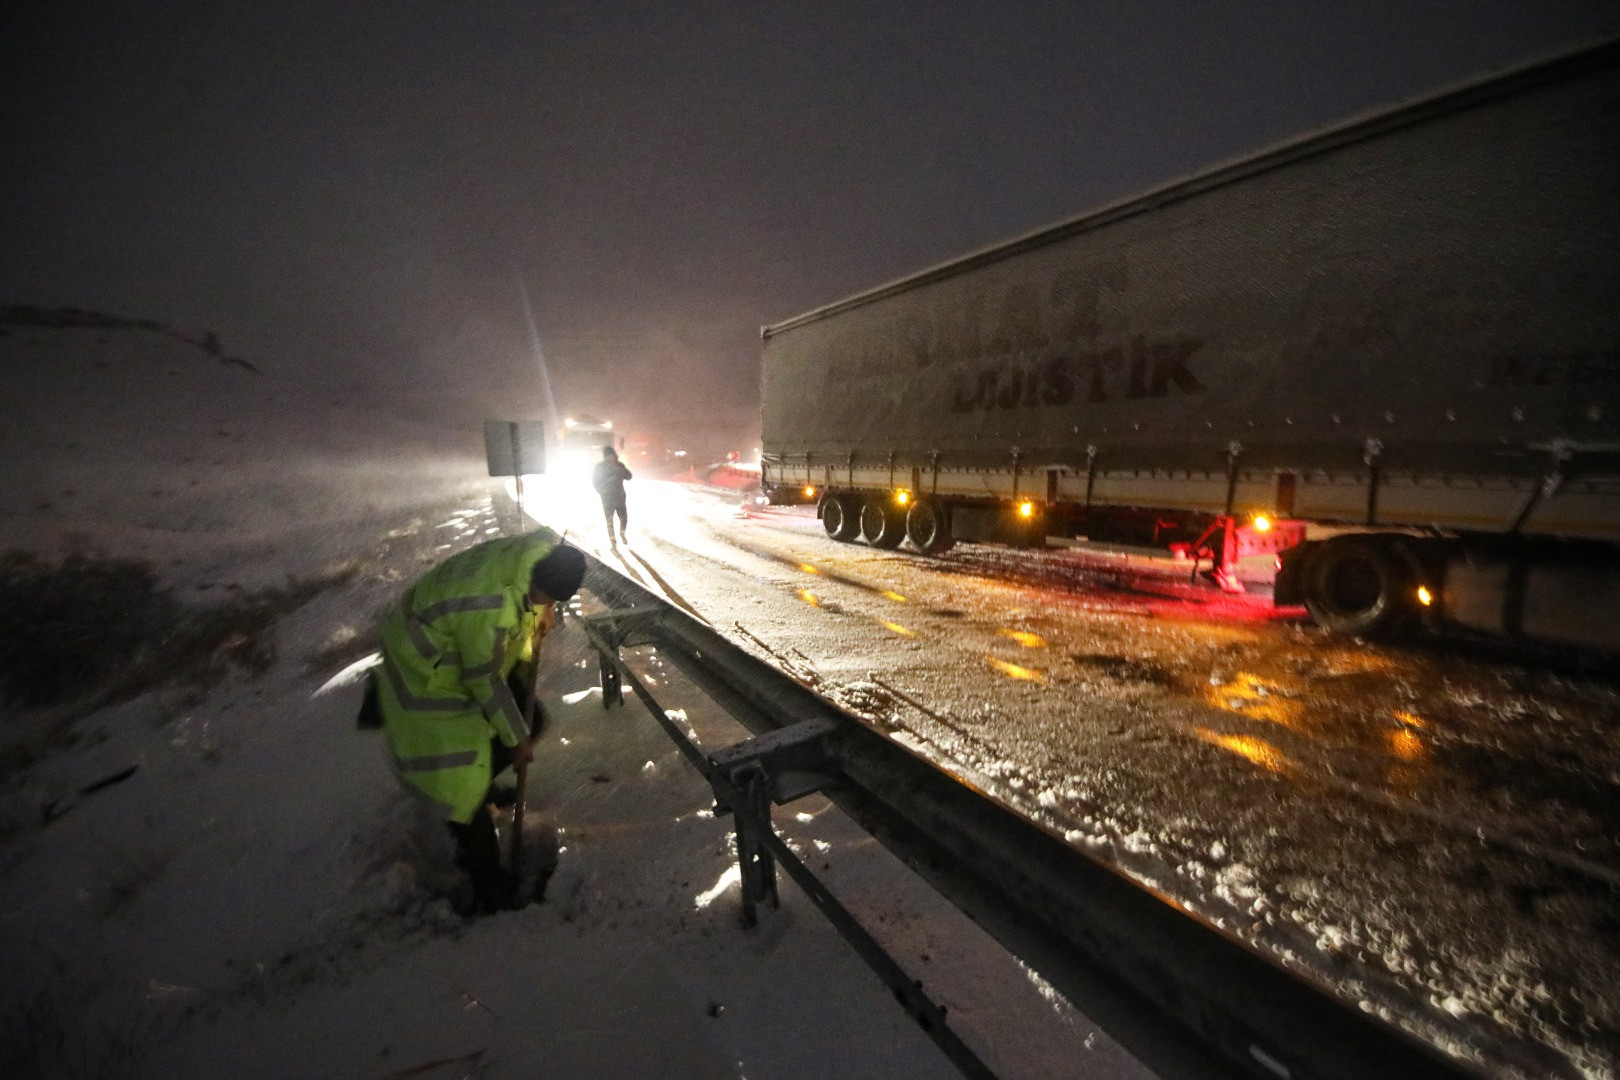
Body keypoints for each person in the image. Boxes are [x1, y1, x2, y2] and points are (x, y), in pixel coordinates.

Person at [375, 529, 587, 913]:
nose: (548, 605)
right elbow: (483, 679)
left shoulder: (536, 555)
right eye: (548, 598)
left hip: (457, 650)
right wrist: (516, 741)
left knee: (530, 718)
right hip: (425, 671)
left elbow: (509, 631)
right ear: (536, 581)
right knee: (460, 776)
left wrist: (543, 611)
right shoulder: (487, 605)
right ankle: (487, 882)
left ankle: (482, 776)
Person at [592, 445, 633, 543]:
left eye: (612, 455)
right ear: (605, 456)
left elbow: (629, 477)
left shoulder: (619, 465)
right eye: (609, 455)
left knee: (623, 518)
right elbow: (595, 481)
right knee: (609, 519)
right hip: (607, 498)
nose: (611, 457)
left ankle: (622, 533)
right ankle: (613, 540)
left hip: (620, 496)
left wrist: (620, 469)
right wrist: (601, 491)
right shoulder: (600, 467)